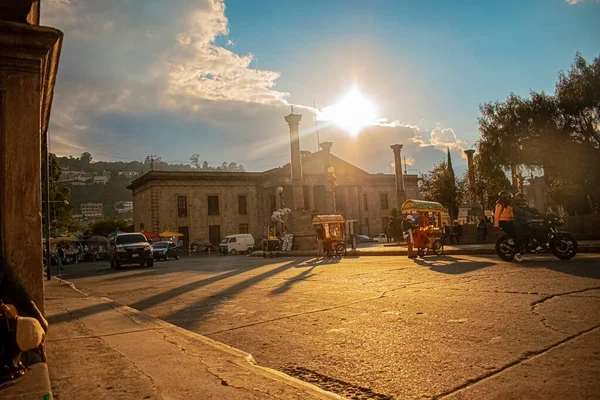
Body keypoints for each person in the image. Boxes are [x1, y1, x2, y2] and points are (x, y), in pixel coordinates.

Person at [494, 190, 522, 262]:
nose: (510, 199)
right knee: (515, 235)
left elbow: (512, 214)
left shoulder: (509, 205)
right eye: (508, 197)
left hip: (510, 221)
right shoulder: (499, 205)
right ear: (504, 198)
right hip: (503, 222)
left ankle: (514, 242)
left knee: (519, 231)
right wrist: (496, 225)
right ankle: (516, 254)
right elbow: (497, 215)